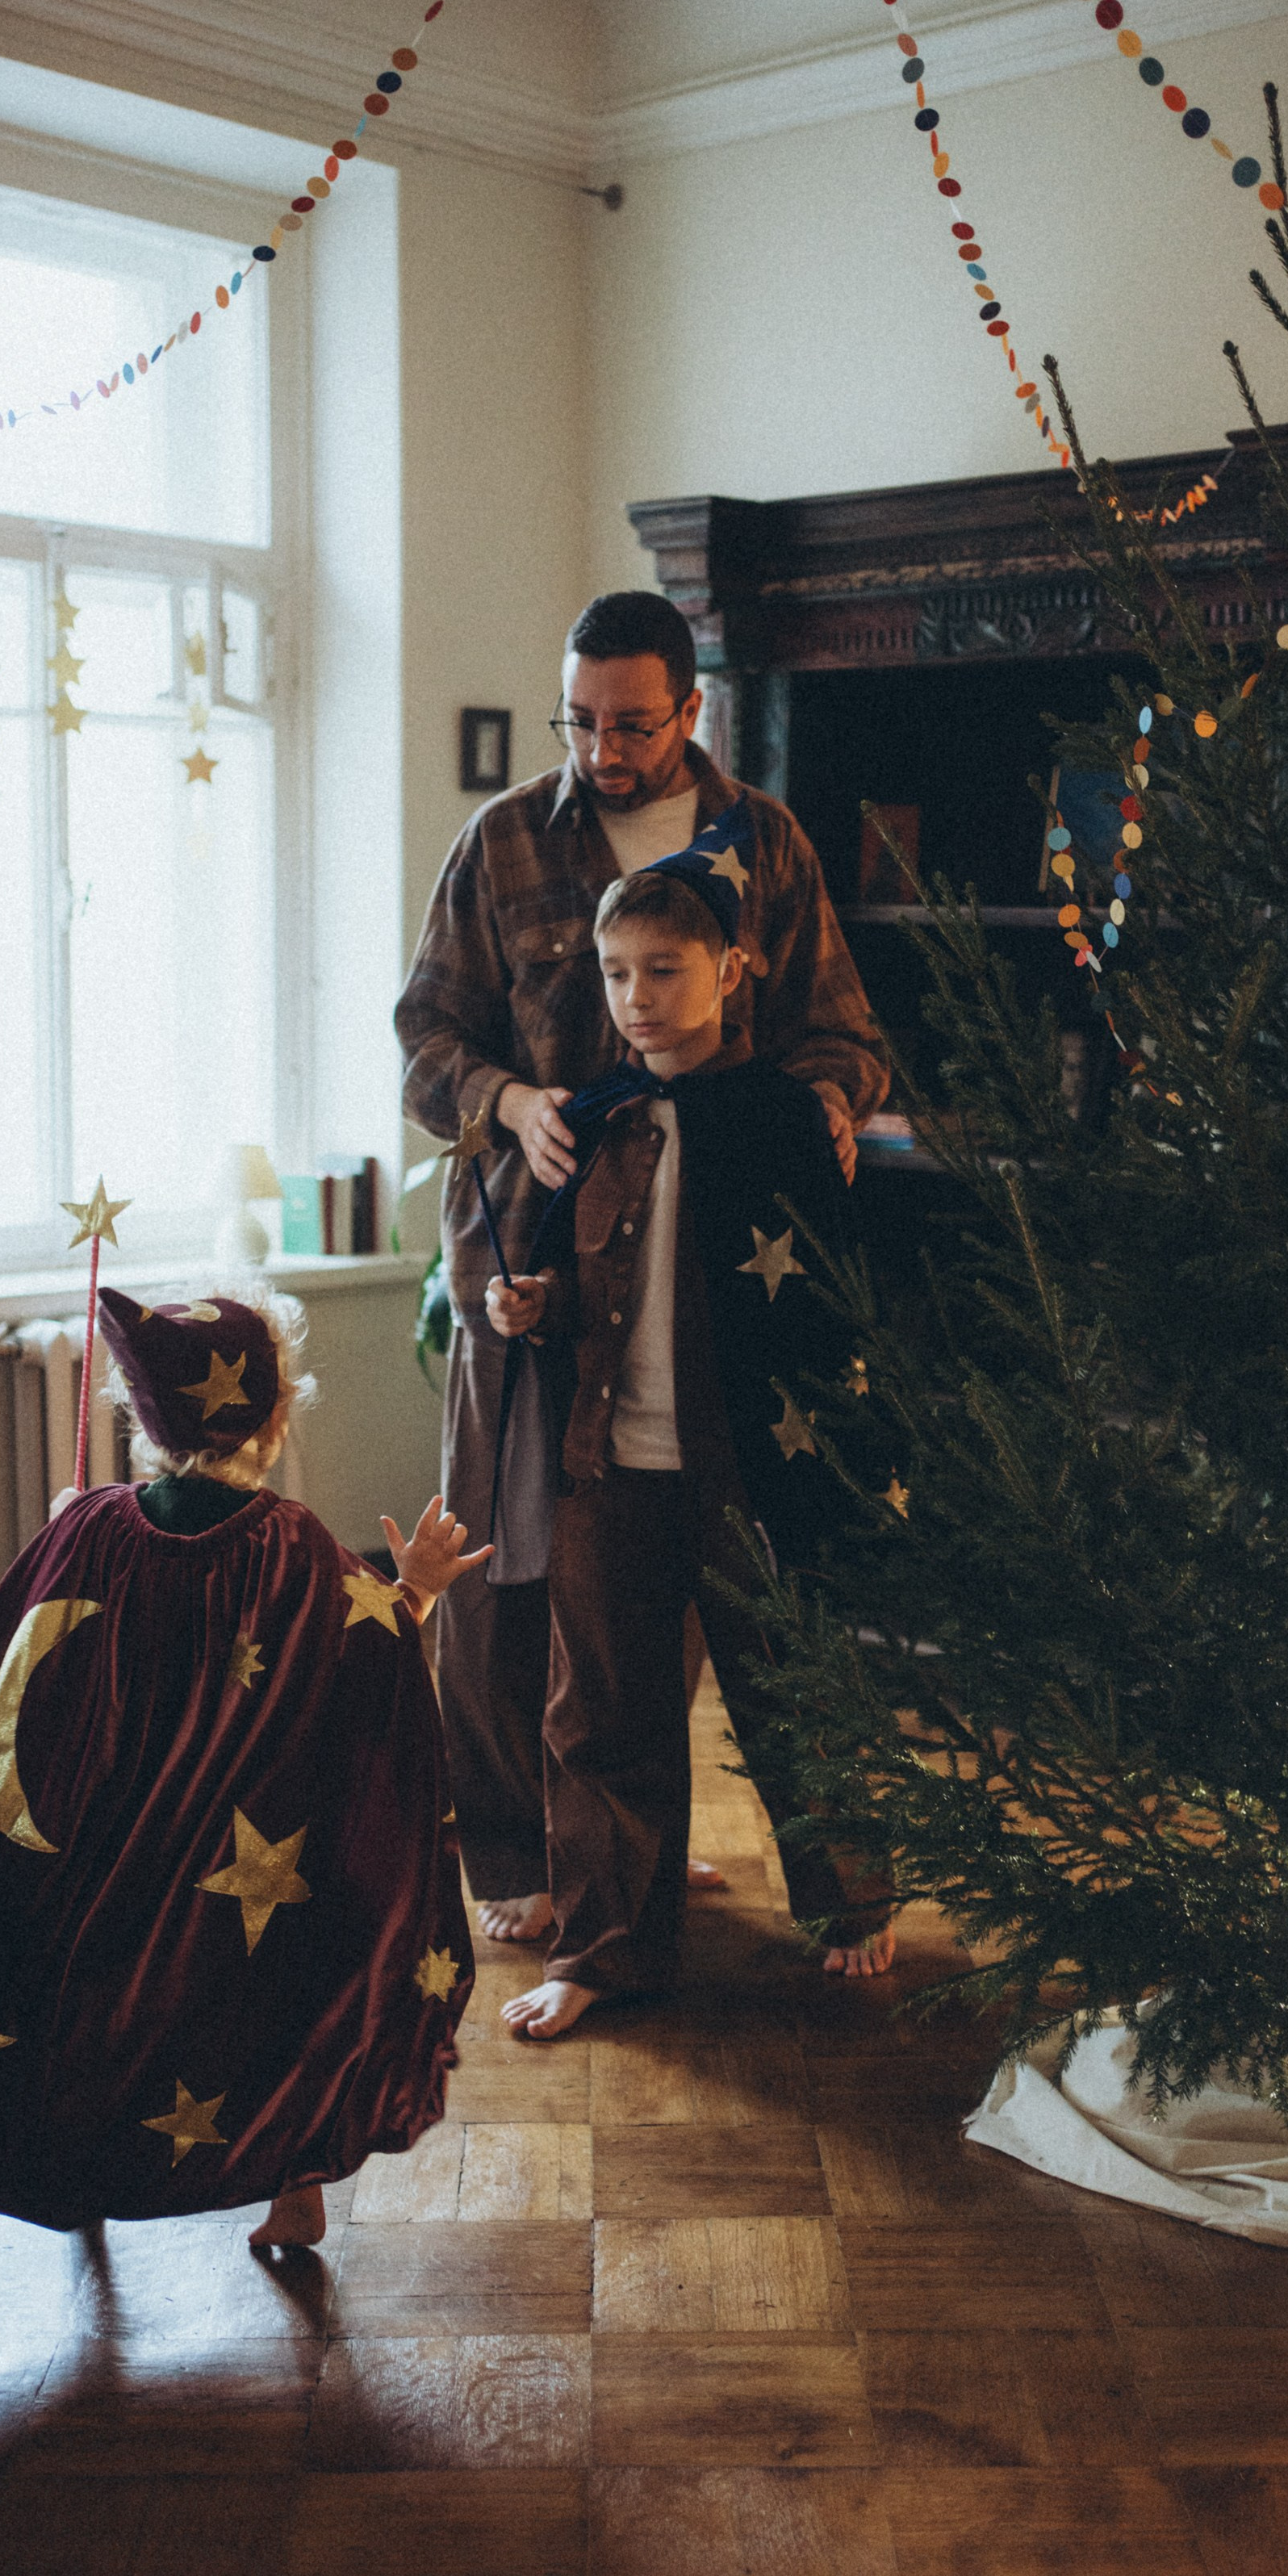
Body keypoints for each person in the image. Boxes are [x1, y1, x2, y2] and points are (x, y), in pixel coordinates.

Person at [395, 589, 888, 1966]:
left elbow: (842, 1034)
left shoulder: (768, 845)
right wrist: (504, 1100)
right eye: (579, 720)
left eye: (629, 723)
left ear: (690, 710)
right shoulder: (500, 844)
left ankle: (634, 1849)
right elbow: (422, 1040)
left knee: (687, 1563)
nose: (599, 748)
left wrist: (828, 1111)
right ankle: (514, 1847)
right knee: (510, 1558)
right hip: (527, 1248)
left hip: (718, 1248)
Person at [0, 1285, 489, 2248]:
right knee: (282, 1994)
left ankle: (75, 2176)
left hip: (105, 1855)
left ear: (142, 1420)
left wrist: (65, 1535)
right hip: (243, 1877)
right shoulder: (290, 1547)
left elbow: (10, 1687)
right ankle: (295, 2190)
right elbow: (355, 1664)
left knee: (88, 2007)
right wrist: (413, 1586)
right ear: (276, 1418)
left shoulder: (91, 1528)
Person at [482, 813, 897, 2039]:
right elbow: (574, 1280)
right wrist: (531, 1303)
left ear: (732, 968)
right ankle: (605, 1947)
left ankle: (848, 1897)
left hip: (752, 1467)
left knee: (791, 1689)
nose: (638, 997)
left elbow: (829, 1301)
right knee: (599, 1707)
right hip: (608, 1463)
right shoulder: (597, 1119)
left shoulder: (782, 1118)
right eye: (616, 975)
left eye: (664, 970)